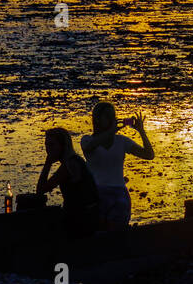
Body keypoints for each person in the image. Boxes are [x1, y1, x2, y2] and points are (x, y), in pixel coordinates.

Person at [81, 102, 154, 230]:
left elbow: (149, 155)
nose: (112, 119)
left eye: (113, 116)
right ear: (97, 119)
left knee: (117, 236)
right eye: (107, 116)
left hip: (119, 194)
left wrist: (141, 131)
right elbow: (90, 147)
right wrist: (112, 130)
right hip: (96, 195)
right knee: (99, 234)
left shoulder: (122, 141)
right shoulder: (87, 140)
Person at [36, 128, 100, 239]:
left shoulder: (70, 164)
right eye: (46, 145)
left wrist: (47, 164)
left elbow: (41, 189)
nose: (48, 149)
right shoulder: (74, 160)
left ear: (63, 145)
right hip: (87, 215)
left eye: (52, 145)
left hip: (83, 220)